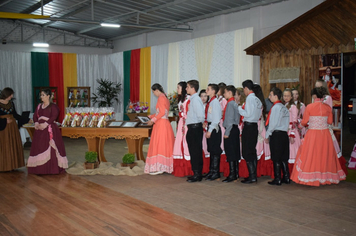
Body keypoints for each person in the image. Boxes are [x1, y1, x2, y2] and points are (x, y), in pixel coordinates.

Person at [291, 87, 346, 186]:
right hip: (325, 134)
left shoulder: (310, 107)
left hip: (313, 134)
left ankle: (312, 176)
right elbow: (329, 122)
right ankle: (325, 177)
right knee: (324, 155)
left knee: (312, 154)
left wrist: (298, 126)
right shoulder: (328, 107)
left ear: (314, 96)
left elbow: (304, 122)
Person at [27, 88, 68, 174]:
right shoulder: (39, 106)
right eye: (40, 95)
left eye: (43, 95)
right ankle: (39, 169)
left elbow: (54, 116)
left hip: (50, 130)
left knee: (51, 148)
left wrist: (45, 124)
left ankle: (52, 169)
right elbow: (35, 116)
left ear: (48, 96)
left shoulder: (53, 107)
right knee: (40, 147)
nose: (41, 97)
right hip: (40, 131)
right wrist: (37, 123)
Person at [144, 84, 174, 175]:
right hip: (163, 123)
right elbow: (162, 112)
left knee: (160, 144)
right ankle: (164, 166)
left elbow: (161, 113)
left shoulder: (161, 98)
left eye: (153, 92)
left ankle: (160, 167)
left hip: (161, 125)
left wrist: (152, 120)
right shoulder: (164, 97)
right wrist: (151, 116)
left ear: (157, 90)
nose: (154, 94)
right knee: (164, 144)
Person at [0, 87, 31, 172]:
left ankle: (12, 165)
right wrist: (4, 120)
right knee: (4, 146)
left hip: (12, 127)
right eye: (11, 94)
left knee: (12, 144)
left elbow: (15, 115)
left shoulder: (11, 103)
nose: (12, 96)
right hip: (2, 128)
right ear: (6, 94)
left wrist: (27, 119)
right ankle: (3, 166)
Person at [238, 80, 262, 184]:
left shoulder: (250, 99)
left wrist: (238, 108)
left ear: (246, 88)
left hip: (248, 126)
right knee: (252, 150)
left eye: (244, 89)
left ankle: (252, 176)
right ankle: (253, 175)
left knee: (247, 151)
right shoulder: (257, 99)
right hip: (254, 126)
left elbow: (247, 114)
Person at [264, 87, 290, 185]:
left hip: (277, 134)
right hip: (284, 134)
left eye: (270, 95)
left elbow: (273, 123)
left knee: (276, 157)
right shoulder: (284, 107)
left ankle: (278, 178)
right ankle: (286, 177)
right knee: (283, 157)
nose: (269, 97)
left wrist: (267, 134)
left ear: (275, 96)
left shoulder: (276, 107)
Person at [185, 80, 205, 182]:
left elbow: (201, 115)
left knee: (195, 151)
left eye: (187, 87)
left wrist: (198, 124)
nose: (186, 89)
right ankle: (196, 172)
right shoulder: (193, 99)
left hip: (195, 128)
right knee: (193, 151)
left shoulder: (196, 99)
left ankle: (197, 174)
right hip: (193, 127)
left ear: (193, 88)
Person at [172, 81, 192, 177]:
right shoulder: (181, 99)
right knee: (179, 143)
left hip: (186, 123)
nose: (177, 90)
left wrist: (183, 116)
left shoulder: (188, 99)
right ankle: (181, 168)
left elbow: (189, 113)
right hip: (181, 123)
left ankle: (188, 168)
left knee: (186, 144)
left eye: (178, 87)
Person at [204, 84, 222, 181]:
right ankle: (211, 171)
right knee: (211, 149)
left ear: (213, 91)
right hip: (210, 126)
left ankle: (216, 172)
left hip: (214, 128)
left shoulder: (215, 102)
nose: (206, 90)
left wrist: (210, 130)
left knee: (215, 150)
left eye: (208, 89)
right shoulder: (211, 101)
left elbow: (216, 119)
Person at [222, 85, 240, 182]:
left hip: (231, 129)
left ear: (229, 92)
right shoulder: (234, 103)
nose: (224, 94)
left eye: (225, 92)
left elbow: (229, 119)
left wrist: (227, 132)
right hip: (235, 129)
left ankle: (232, 174)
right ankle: (235, 173)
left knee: (231, 152)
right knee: (234, 151)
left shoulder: (230, 104)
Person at [282, 89, 301, 170]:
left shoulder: (293, 107)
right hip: (284, 129)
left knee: (293, 150)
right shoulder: (283, 106)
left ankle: (293, 170)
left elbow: (294, 121)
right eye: (284, 96)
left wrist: (292, 134)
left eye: (288, 96)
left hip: (291, 131)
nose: (286, 97)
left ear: (291, 97)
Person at [199, 89, 210, 174]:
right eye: (201, 96)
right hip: (199, 128)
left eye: (205, 96)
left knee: (206, 147)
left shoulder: (209, 105)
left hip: (207, 128)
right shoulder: (198, 105)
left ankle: (207, 168)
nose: (203, 98)